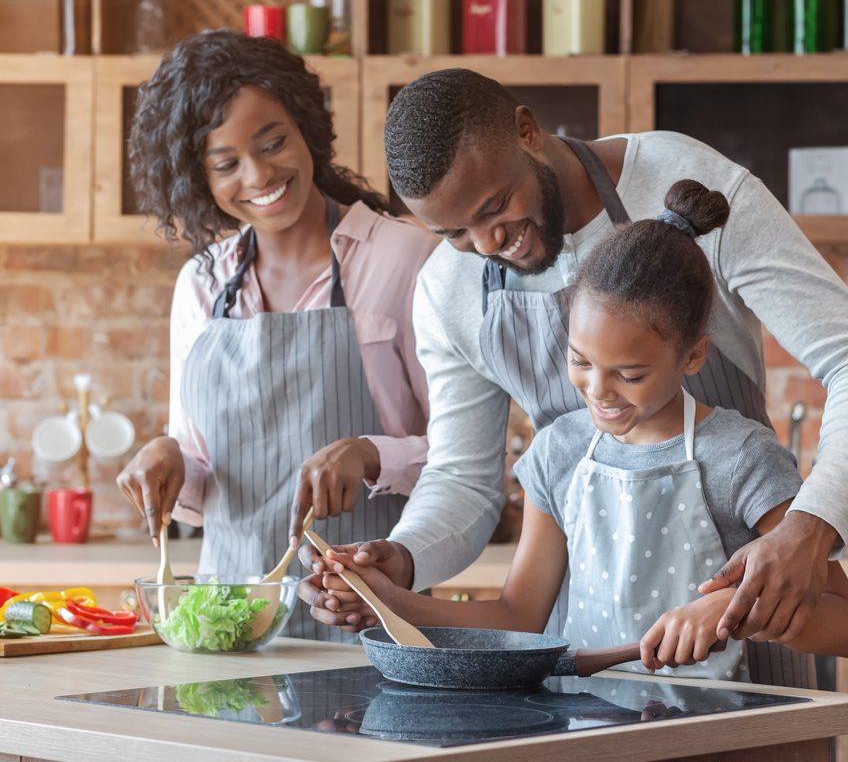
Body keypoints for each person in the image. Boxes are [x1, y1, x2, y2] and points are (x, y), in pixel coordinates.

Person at [301, 68, 848, 682]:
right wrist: (397, 565)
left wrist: (808, 526)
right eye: (454, 232)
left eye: (494, 207)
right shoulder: (452, 297)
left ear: (528, 131)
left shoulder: (685, 183)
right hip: (589, 678)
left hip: (760, 635)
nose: (488, 244)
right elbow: (462, 479)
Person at [116, 30, 435, 641]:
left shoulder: (404, 259)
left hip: (371, 616)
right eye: (226, 163)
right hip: (229, 631)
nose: (259, 175)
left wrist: (371, 453)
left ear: (306, 126)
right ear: (197, 177)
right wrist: (170, 456)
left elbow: (463, 462)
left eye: (273, 142)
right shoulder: (202, 284)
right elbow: (203, 463)